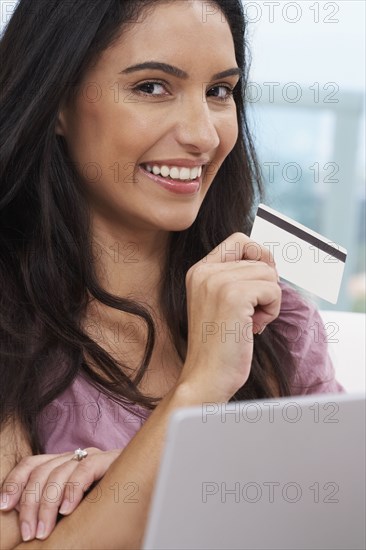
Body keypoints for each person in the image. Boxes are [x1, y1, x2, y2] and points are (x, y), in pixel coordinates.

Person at [0, 0, 344, 548]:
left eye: (219, 92)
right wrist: (198, 392)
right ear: (57, 101)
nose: (203, 135)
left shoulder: (276, 316)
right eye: (153, 87)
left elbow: (335, 515)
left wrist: (133, 469)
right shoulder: (11, 324)